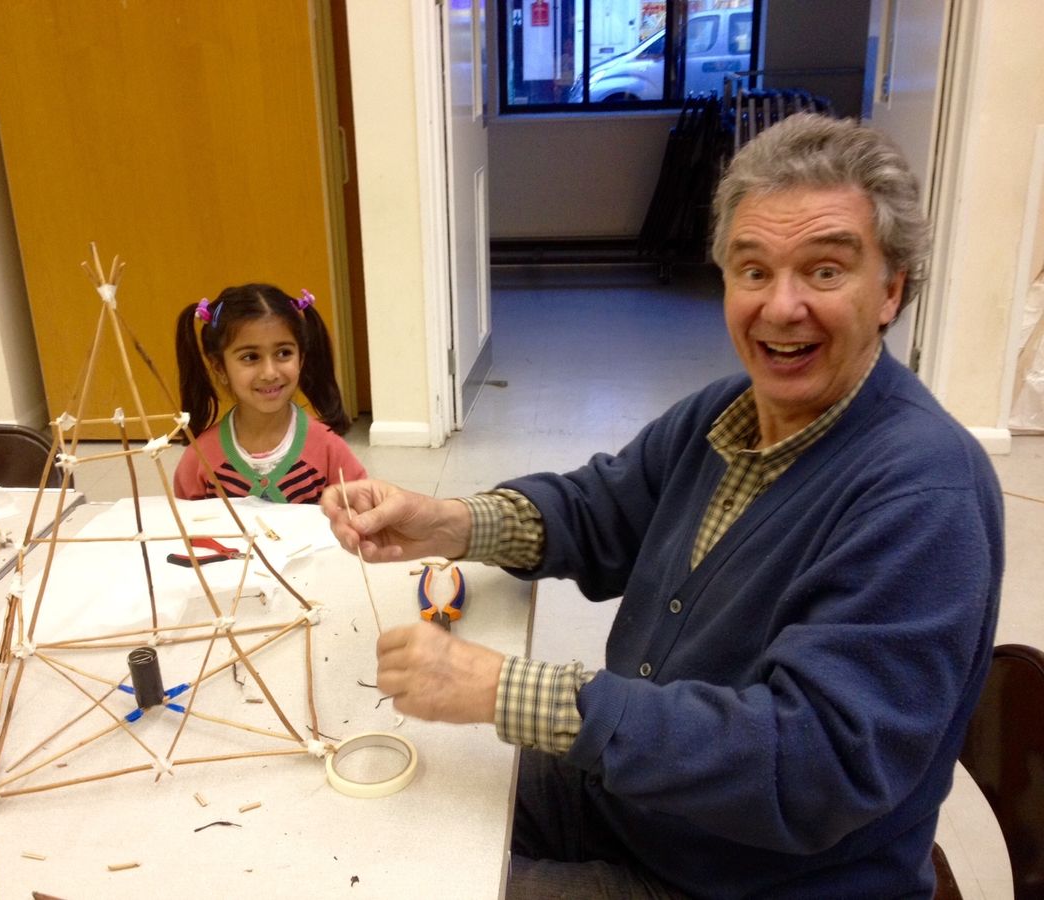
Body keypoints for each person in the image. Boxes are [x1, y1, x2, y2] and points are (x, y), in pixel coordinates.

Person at [322, 114, 1003, 899]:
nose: (780, 308)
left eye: (823, 271)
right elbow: (599, 508)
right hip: (645, 804)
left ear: (891, 289)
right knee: (375, 819)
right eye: (753, 270)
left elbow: (814, 765)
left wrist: (503, 689)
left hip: (751, 880)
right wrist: (450, 522)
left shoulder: (922, 496)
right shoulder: (729, 413)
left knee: (408, 884)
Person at [173, 283, 366, 503]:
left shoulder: (330, 451)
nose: (269, 373)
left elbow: (361, 515)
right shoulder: (200, 459)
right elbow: (187, 528)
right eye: (250, 357)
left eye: (284, 353)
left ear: (301, 358)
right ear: (220, 367)